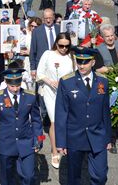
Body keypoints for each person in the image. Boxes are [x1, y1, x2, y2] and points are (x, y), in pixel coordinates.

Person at [55, 47, 112, 185]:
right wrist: (61, 141)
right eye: (79, 61)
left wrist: (108, 138)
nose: (81, 65)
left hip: (97, 135)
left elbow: (105, 111)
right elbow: (61, 113)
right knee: (74, 178)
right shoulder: (66, 82)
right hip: (75, 136)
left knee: (100, 176)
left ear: (93, 63)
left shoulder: (102, 81)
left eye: (85, 62)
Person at [0, 68, 43, 185]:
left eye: (18, 85)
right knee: (6, 179)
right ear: (6, 82)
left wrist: (39, 140)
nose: (15, 89)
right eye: (12, 86)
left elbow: (37, 121)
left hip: (27, 143)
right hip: (5, 144)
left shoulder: (30, 96)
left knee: (29, 177)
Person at [36, 32, 74, 168]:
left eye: (66, 46)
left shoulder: (71, 57)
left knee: (66, 121)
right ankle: (54, 151)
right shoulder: (48, 54)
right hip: (50, 92)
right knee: (54, 121)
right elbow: (39, 73)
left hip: (66, 93)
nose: (63, 49)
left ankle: (66, 146)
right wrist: (50, 81)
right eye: (61, 46)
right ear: (56, 44)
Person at [29, 8, 60, 79]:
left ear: (54, 17)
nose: (48, 20)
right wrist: (33, 68)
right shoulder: (36, 32)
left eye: (50, 18)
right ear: (43, 18)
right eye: (46, 18)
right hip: (41, 65)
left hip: (56, 63)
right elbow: (33, 51)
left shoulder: (59, 29)